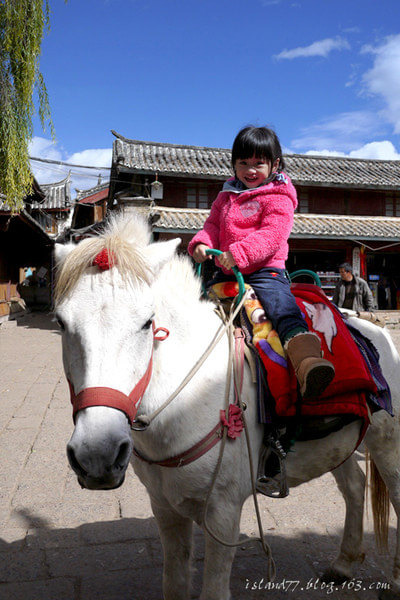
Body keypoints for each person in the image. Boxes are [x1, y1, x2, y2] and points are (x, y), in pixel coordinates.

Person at [188, 125, 335, 400]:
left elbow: (273, 234)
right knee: (195, 304)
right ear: (233, 164)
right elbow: (212, 226)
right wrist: (201, 243)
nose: (250, 170)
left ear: (274, 165)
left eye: (259, 163)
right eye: (243, 163)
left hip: (266, 272)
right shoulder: (226, 196)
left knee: (281, 308)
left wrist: (239, 252)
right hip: (227, 272)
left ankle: (307, 362)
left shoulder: (278, 196)